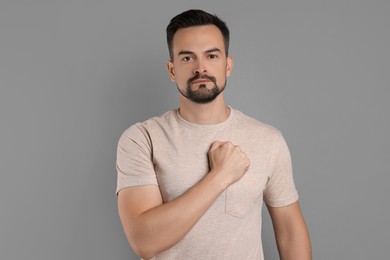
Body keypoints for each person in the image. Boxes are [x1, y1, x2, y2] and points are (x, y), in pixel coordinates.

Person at [116, 9, 311, 260]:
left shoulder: (268, 140)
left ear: (227, 65)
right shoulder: (142, 139)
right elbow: (145, 241)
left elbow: (289, 230)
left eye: (211, 55)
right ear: (172, 69)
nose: (201, 68)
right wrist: (220, 176)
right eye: (187, 58)